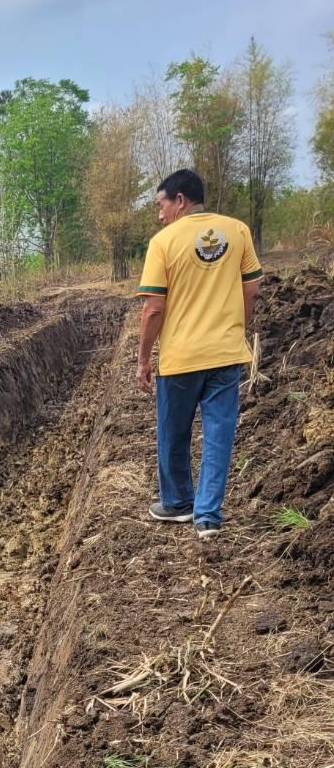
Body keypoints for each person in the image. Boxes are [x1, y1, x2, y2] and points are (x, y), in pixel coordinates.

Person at [136, 168, 262, 539]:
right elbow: (251, 290)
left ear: (180, 199)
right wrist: (235, 328)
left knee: (173, 431)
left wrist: (144, 358)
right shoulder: (238, 231)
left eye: (161, 204)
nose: (160, 214)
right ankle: (208, 516)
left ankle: (177, 503)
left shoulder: (164, 241)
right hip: (226, 354)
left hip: (182, 357)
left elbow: (153, 308)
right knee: (219, 434)